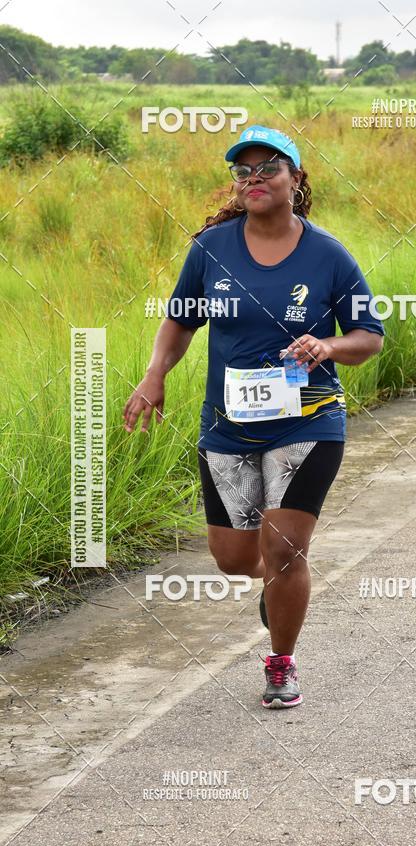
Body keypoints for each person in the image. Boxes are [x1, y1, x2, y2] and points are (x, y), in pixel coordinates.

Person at [123, 125, 384, 708]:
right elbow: (180, 320)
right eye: (243, 170)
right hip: (228, 426)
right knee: (237, 558)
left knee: (285, 550)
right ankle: (276, 585)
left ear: (295, 178)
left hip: (309, 421)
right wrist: (155, 374)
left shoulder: (328, 254)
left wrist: (328, 346)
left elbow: (369, 335)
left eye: (269, 168)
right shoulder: (210, 249)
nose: (254, 178)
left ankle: (281, 662)